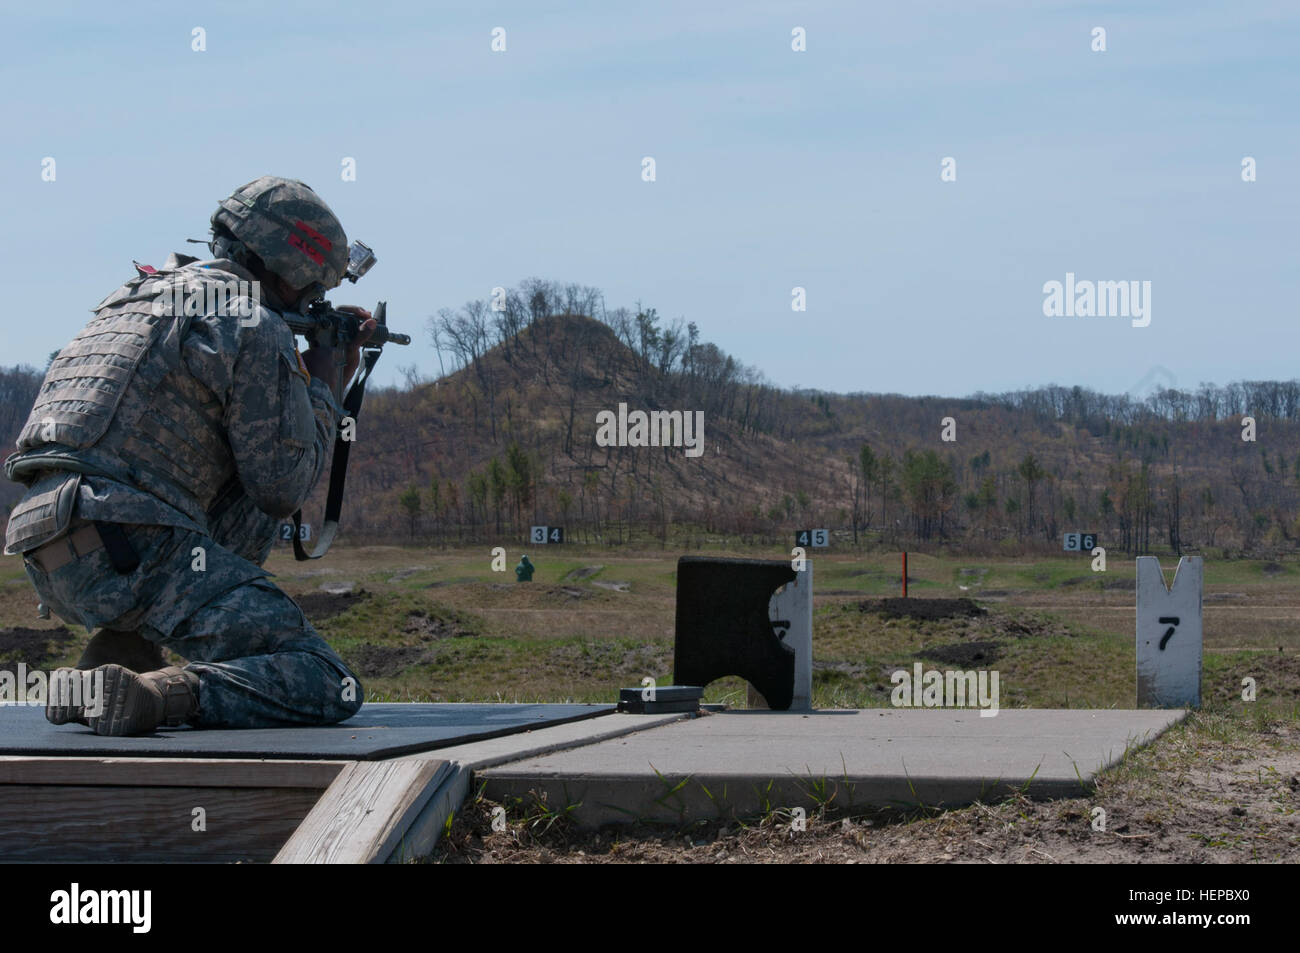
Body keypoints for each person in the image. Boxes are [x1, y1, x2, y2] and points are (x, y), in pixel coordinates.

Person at [3, 175, 374, 736]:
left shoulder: (131, 299)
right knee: (326, 679)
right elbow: (283, 486)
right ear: (293, 268)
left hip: (49, 546)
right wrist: (324, 384)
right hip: (131, 543)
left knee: (234, 499)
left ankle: (108, 670)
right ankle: (159, 692)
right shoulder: (256, 321)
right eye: (310, 291)